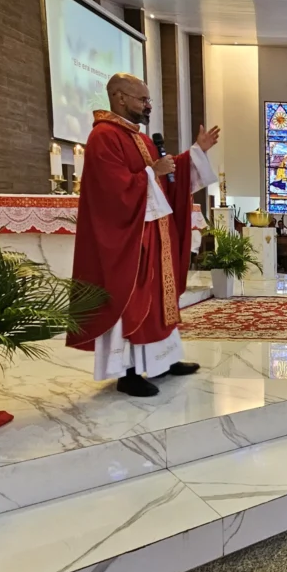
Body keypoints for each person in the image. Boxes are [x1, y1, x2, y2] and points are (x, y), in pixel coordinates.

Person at [69, 73, 219, 397]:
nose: (148, 106)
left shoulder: (141, 138)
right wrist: (153, 171)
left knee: (158, 300)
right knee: (133, 301)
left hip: (156, 236)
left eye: (149, 100)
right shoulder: (104, 137)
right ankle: (128, 372)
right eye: (142, 100)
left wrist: (195, 153)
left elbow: (164, 177)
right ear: (120, 97)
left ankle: (164, 360)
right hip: (130, 240)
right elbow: (114, 190)